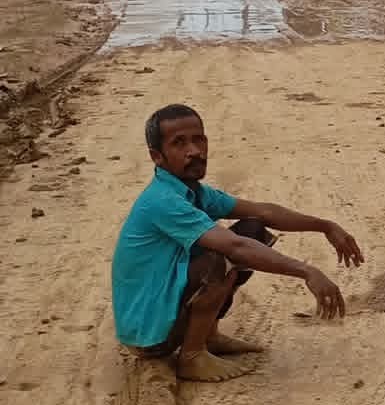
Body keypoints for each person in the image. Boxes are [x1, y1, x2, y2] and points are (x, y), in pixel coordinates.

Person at [112, 103, 364, 381]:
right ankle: (192, 356)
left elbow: (263, 212)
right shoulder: (163, 200)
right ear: (157, 156)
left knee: (253, 229)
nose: (194, 151)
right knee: (220, 257)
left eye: (198, 139)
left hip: (162, 309)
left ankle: (208, 337)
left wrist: (325, 226)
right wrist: (307, 271)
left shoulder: (191, 190)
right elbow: (235, 248)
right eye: (179, 143)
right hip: (149, 336)